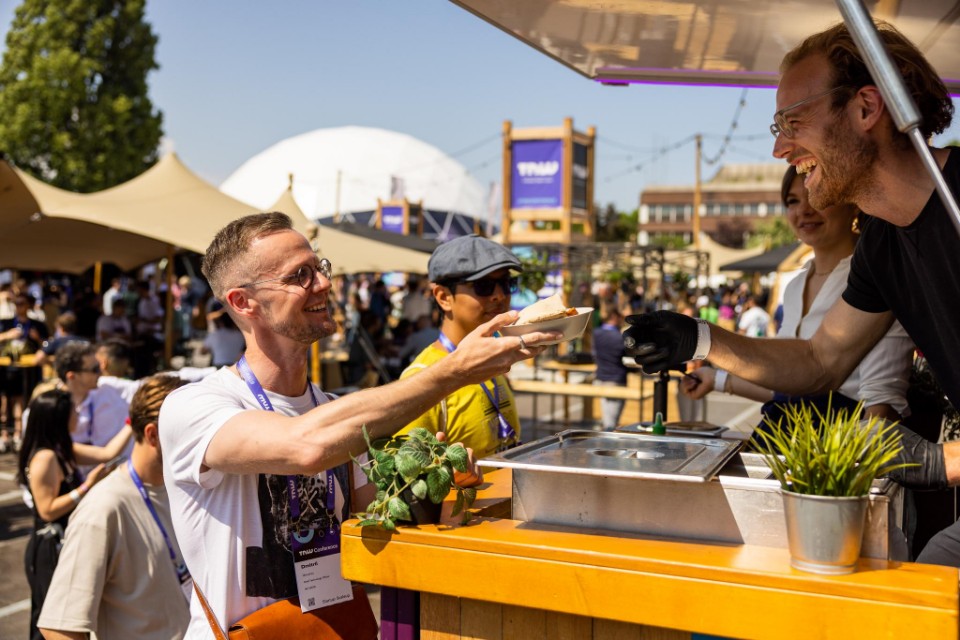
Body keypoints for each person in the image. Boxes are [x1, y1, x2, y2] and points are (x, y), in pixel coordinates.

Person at [622, 20, 960, 565]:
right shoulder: (881, 243)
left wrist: (944, 461)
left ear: (866, 108)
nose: (781, 148)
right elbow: (820, 359)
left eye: (792, 122)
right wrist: (700, 339)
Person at [159, 213, 556, 638]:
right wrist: (452, 372)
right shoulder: (194, 407)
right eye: (300, 275)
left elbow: (379, 515)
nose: (323, 284)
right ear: (242, 302)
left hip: (333, 628)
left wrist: (439, 482)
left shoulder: (333, 410)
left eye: (320, 268)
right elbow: (305, 447)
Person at [681, 165, 914, 434]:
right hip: (782, 433)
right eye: (792, 201)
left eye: (817, 194)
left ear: (852, 203)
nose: (804, 210)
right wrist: (715, 379)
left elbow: (882, 404)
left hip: (837, 440)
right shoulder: (795, 285)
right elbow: (788, 383)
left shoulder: (876, 275)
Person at [38, 375, 191, 640]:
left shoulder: (186, 490)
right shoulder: (103, 509)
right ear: (153, 435)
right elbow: (59, 628)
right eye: (191, 432)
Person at [17, 390, 132, 640]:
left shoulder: (62, 447)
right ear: (57, 417)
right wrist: (87, 486)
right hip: (48, 547)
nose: (78, 415)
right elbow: (47, 510)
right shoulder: (45, 458)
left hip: (62, 542)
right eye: (73, 411)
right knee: (50, 623)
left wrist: (133, 421)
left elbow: (107, 453)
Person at [397, 235, 523, 458]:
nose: (499, 295)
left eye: (506, 284)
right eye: (484, 286)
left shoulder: (492, 361)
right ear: (444, 297)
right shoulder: (421, 379)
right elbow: (405, 473)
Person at [592, 308, 630, 430]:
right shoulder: (619, 337)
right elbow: (629, 356)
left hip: (600, 379)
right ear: (614, 317)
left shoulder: (596, 333)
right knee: (611, 424)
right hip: (616, 381)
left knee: (607, 420)